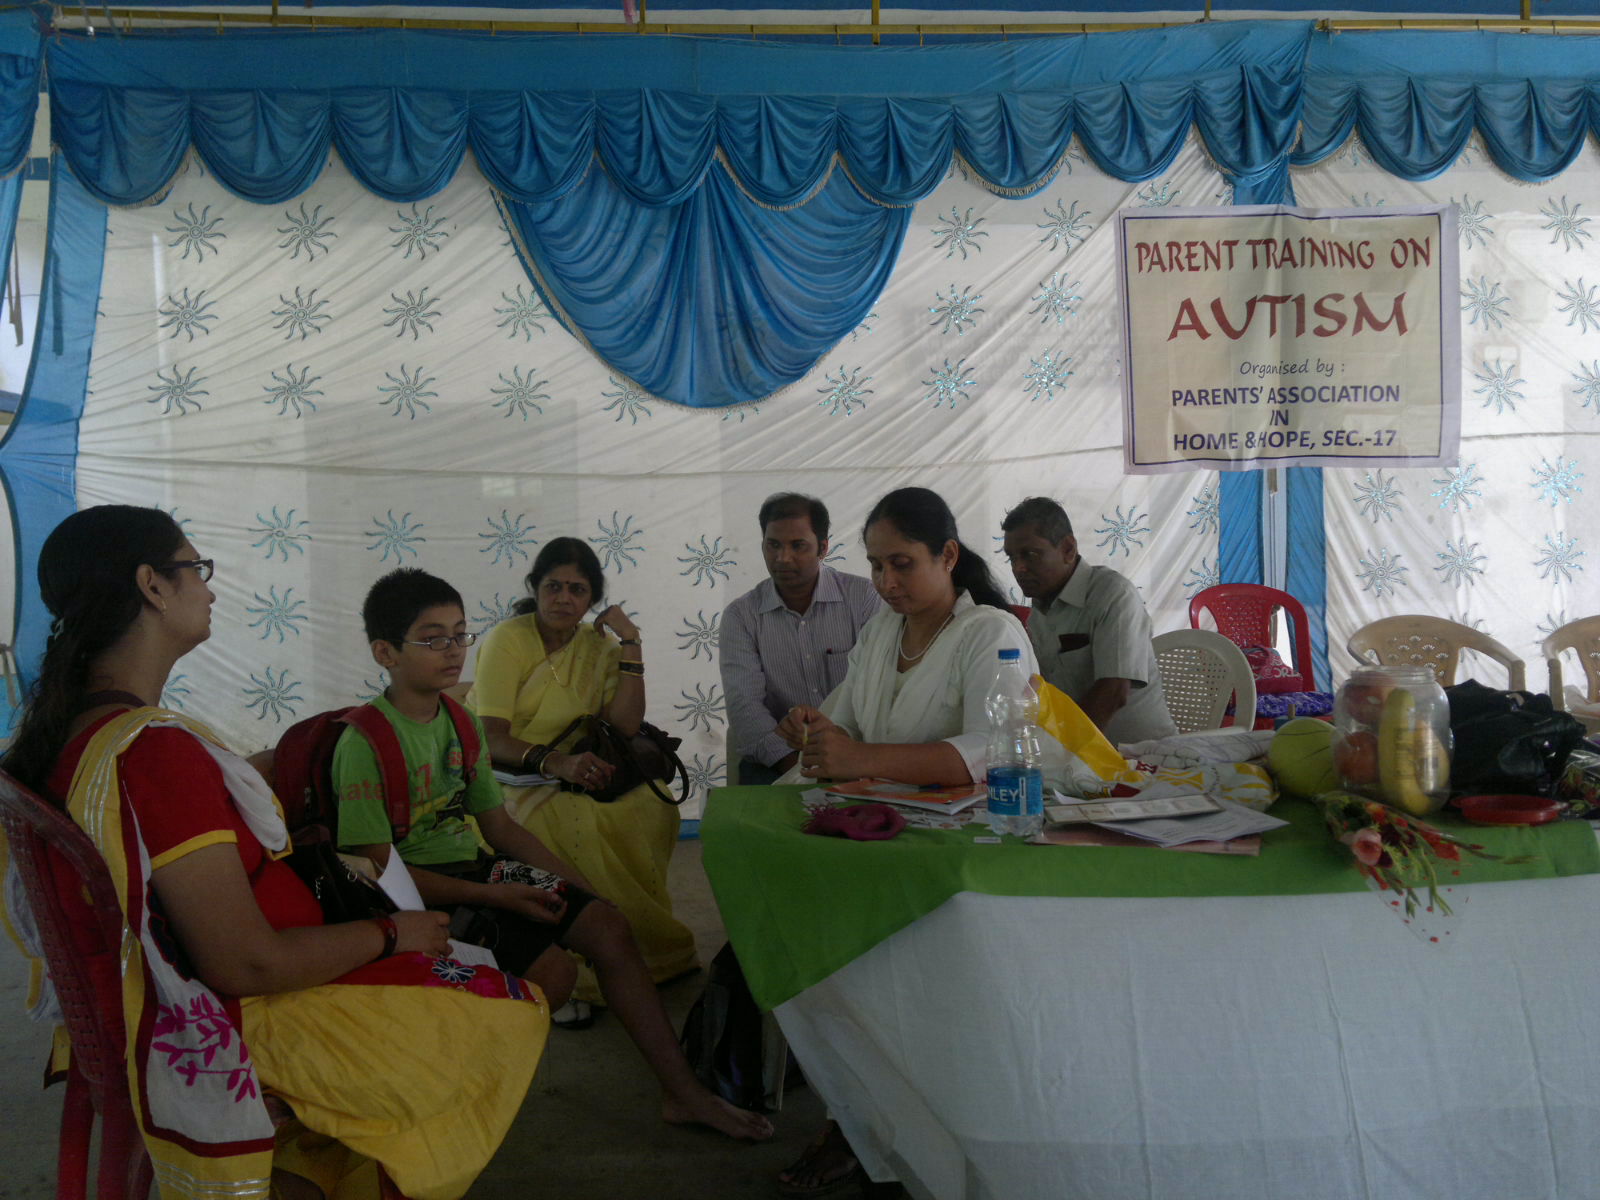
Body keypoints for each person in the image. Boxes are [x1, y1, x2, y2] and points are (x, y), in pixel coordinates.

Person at [1, 506, 545, 1200]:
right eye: (196, 569)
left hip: (151, 1009)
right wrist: (390, 932)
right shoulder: (155, 753)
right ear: (153, 586)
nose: (210, 588)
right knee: (508, 1004)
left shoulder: (79, 731)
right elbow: (245, 961)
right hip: (240, 1016)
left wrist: (245, 774)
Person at [334, 568, 772, 1142]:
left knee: (609, 927)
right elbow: (379, 874)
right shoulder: (364, 742)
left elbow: (499, 828)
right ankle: (448, 1104)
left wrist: (576, 888)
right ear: (384, 652)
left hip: (475, 869)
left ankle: (684, 1094)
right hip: (414, 892)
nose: (454, 651)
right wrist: (491, 894)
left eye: (461, 634)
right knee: (554, 975)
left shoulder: (460, 723)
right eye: (433, 638)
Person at [772, 486, 1035, 1197]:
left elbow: (996, 749)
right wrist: (815, 731)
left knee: (912, 997)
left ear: (948, 556)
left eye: (902, 565)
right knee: (827, 960)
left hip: (965, 855)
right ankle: (860, 1119)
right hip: (885, 835)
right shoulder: (884, 632)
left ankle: (896, 1132)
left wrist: (862, 759)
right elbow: (843, 719)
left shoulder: (993, 635)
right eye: (876, 567)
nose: (886, 583)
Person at [467, 538, 696, 1018]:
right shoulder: (509, 639)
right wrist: (553, 762)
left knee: (651, 807)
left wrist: (630, 643)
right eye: (553, 586)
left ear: (592, 599)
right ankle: (577, 967)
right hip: (504, 775)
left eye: (577, 589)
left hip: (573, 770)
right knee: (574, 824)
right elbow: (488, 737)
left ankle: (645, 949)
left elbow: (626, 727)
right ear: (536, 588)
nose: (563, 598)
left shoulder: (599, 647)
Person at [721, 492, 881, 785]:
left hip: (857, 759)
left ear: (823, 548)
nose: (783, 558)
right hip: (777, 763)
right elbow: (745, 708)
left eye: (798, 546)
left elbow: (878, 692)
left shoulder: (864, 599)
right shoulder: (741, 616)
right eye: (773, 545)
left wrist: (849, 760)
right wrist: (800, 769)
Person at [1001, 496, 1178, 745]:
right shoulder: (1040, 610)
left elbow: (1114, 692)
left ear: (1068, 549)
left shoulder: (1113, 594)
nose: (1019, 568)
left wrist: (1063, 753)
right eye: (1012, 558)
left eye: (1030, 555)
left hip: (1142, 760)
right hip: (1082, 762)